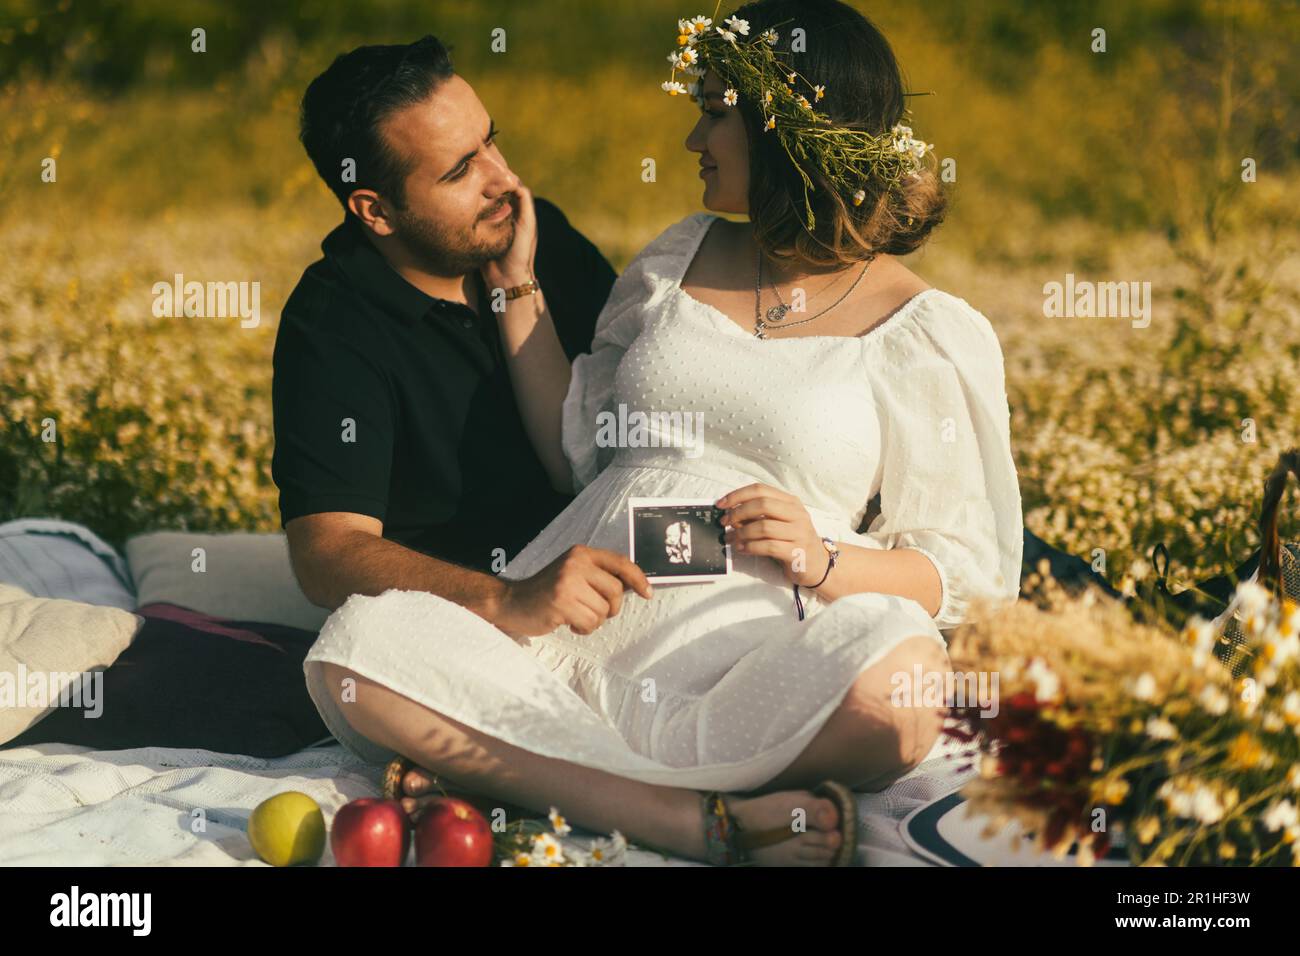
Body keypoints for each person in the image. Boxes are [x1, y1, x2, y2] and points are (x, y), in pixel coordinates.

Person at [302, 0, 1024, 867]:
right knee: (358, 646)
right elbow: (582, 445)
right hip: (563, 640)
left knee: (900, 683)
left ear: (787, 131)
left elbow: (966, 576)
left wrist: (827, 561)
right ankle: (687, 816)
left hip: (747, 661)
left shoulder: (927, 330)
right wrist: (519, 289)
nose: (693, 138)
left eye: (715, 111)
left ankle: (553, 781)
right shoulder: (678, 255)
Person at [272, 35, 617, 612]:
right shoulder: (330, 324)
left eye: (490, 142)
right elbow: (327, 553)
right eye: (460, 171)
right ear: (376, 211)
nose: (503, 178)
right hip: (458, 619)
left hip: (609, 576)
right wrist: (509, 599)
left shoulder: (537, 232)